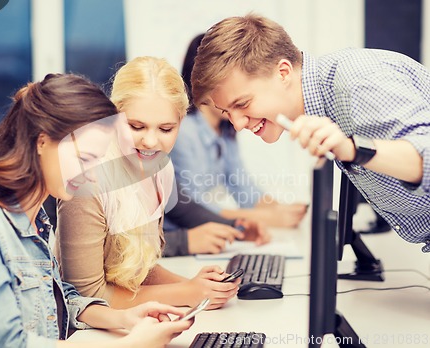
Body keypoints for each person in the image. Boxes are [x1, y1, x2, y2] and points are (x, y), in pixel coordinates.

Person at [0, 73, 193, 347]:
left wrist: (124, 318)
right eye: (85, 159)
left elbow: (57, 299)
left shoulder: (35, 221)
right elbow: (5, 343)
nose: (92, 177)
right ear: (42, 142)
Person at [190, 14, 430, 251]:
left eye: (242, 104)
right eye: (226, 111)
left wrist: (352, 150)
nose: (238, 124)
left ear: (282, 72)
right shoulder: (328, 101)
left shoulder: (357, 83)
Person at [55, 57, 240, 310]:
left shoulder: (158, 169)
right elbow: (86, 297)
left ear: (180, 124)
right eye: (136, 126)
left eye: (165, 129)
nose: (151, 142)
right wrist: (186, 292)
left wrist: (199, 288)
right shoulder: (86, 183)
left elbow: (138, 269)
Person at [167, 33, 307, 231]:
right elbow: (195, 207)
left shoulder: (226, 129)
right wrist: (265, 218)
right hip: (187, 234)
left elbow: (242, 185)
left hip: (210, 229)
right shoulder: (184, 133)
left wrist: (280, 209)